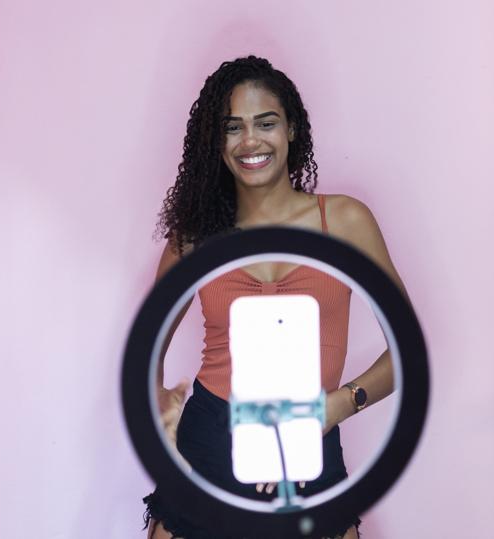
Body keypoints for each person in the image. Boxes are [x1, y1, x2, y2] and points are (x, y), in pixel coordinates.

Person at [143, 56, 407, 539]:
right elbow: (147, 344)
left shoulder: (345, 222)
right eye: (232, 128)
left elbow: (409, 349)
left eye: (266, 123)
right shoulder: (196, 236)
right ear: (216, 143)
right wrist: (159, 407)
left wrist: (341, 405)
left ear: (291, 130)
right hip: (209, 445)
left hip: (311, 444)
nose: (250, 141)